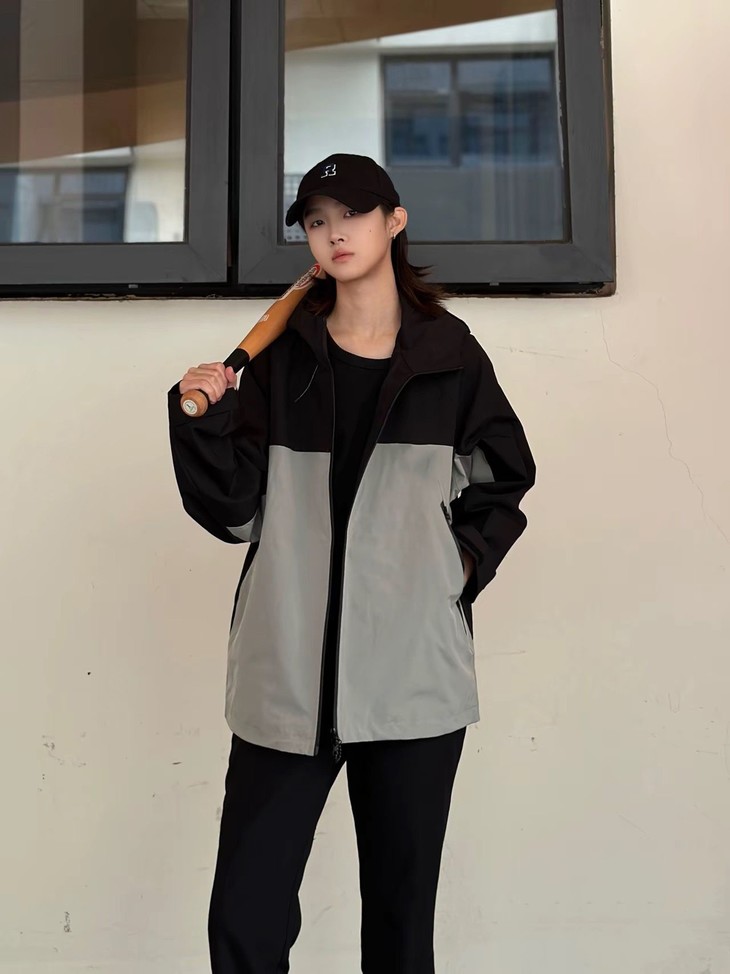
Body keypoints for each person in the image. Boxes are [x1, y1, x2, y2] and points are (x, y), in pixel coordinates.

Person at [168, 153, 536, 973]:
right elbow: (236, 514)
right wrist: (201, 424)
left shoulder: (449, 354)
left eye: (353, 214)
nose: (334, 233)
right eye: (317, 220)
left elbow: (504, 480)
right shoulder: (281, 359)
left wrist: (455, 572)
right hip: (285, 675)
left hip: (411, 678)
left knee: (400, 930)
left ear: (394, 221)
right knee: (246, 917)